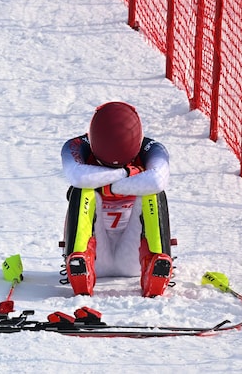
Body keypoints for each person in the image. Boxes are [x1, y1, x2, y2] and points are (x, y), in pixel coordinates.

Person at [60, 101, 174, 297]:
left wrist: (105, 183)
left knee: (153, 193)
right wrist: (127, 173)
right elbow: (78, 176)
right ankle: (80, 262)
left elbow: (157, 180)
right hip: (96, 252)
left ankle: (156, 262)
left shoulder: (153, 148)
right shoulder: (76, 146)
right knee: (83, 190)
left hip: (133, 253)